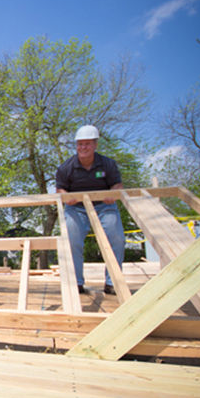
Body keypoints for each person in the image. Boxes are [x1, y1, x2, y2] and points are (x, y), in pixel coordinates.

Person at [55, 125, 125, 295]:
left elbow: (118, 184)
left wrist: (113, 193)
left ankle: (112, 282)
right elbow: (60, 189)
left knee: (116, 238)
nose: (83, 148)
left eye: (87, 144)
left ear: (95, 145)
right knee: (71, 240)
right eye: (80, 144)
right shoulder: (66, 167)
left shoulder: (107, 164)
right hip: (76, 208)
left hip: (104, 205)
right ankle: (76, 283)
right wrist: (67, 197)